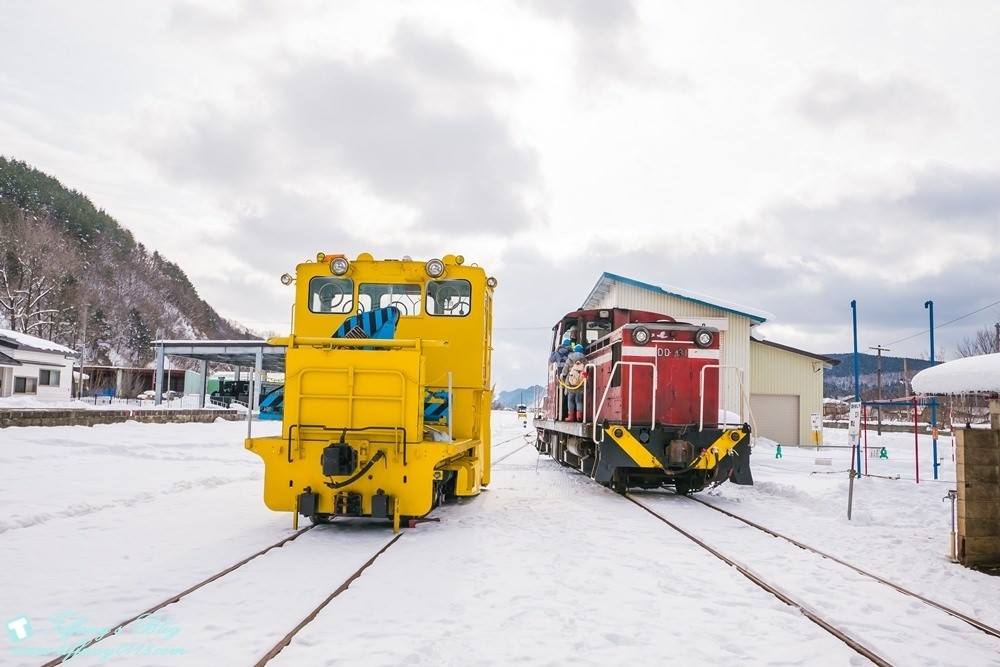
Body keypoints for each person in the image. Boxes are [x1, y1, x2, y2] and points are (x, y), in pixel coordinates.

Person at [560, 344, 586, 421]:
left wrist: (563, 375)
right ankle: (579, 416)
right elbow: (588, 369)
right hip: (581, 383)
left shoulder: (569, 359)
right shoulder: (584, 359)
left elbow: (564, 371)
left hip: (570, 383)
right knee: (579, 400)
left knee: (570, 400)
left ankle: (571, 417)